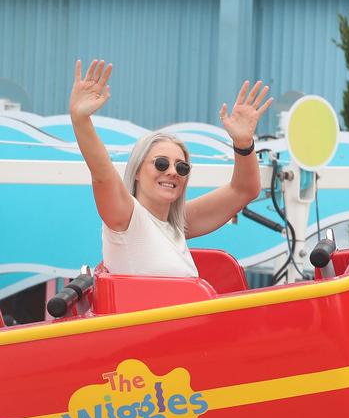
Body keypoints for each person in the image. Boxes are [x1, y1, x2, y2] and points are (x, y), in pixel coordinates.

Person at [68, 59, 273, 276]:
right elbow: (102, 175)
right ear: (137, 170)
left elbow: (244, 190)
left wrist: (243, 144)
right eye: (161, 163)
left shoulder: (176, 224)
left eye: (182, 167)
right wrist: (81, 120)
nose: (173, 172)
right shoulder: (127, 219)